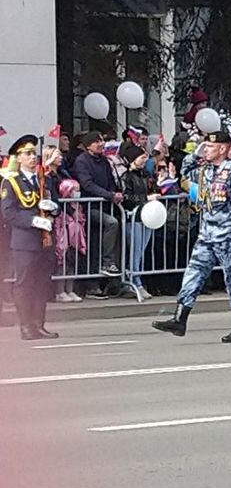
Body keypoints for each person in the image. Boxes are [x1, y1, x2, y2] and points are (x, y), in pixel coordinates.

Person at [151, 131, 231, 343]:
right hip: (207, 233)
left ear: (223, 149)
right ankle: (180, 318)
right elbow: (185, 172)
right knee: (193, 273)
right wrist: (194, 154)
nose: (205, 149)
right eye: (205, 146)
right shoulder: (205, 168)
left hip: (228, 234)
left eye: (209, 146)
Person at [2, 135, 60, 340]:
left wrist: (53, 209)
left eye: (34, 153)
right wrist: (33, 221)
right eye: (27, 154)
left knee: (42, 283)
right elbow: (8, 213)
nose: (32, 157)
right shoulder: (11, 182)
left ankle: (39, 324)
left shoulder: (43, 179)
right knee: (25, 284)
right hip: (24, 241)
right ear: (18, 157)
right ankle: (26, 326)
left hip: (44, 240)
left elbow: (56, 204)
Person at [71, 131, 122, 276]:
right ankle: (107, 262)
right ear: (88, 146)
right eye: (96, 142)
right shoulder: (82, 161)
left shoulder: (104, 161)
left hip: (105, 205)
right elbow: (87, 184)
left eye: (101, 141)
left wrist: (115, 193)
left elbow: (110, 181)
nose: (101, 144)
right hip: (90, 207)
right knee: (112, 223)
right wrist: (109, 195)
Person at [120, 143, 158, 302]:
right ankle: (135, 282)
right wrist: (145, 200)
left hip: (148, 217)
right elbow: (126, 197)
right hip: (134, 218)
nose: (144, 160)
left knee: (141, 251)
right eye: (141, 157)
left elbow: (153, 189)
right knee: (135, 252)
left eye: (145, 157)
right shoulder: (127, 177)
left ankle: (137, 280)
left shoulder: (145, 175)